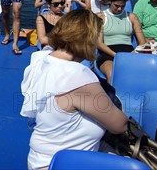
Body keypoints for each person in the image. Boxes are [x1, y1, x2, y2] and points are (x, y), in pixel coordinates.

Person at [21, 10, 128, 169]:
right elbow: (119, 125)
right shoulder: (77, 75)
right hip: (68, 162)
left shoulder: (41, 60)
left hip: (41, 158)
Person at [96, 0, 147, 80]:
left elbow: (142, 42)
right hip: (108, 54)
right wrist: (116, 55)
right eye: (116, 5)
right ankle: (112, 94)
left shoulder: (132, 17)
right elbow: (99, 43)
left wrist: (135, 53)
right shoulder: (100, 17)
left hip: (130, 53)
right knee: (112, 74)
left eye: (122, 6)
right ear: (110, 1)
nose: (119, 9)